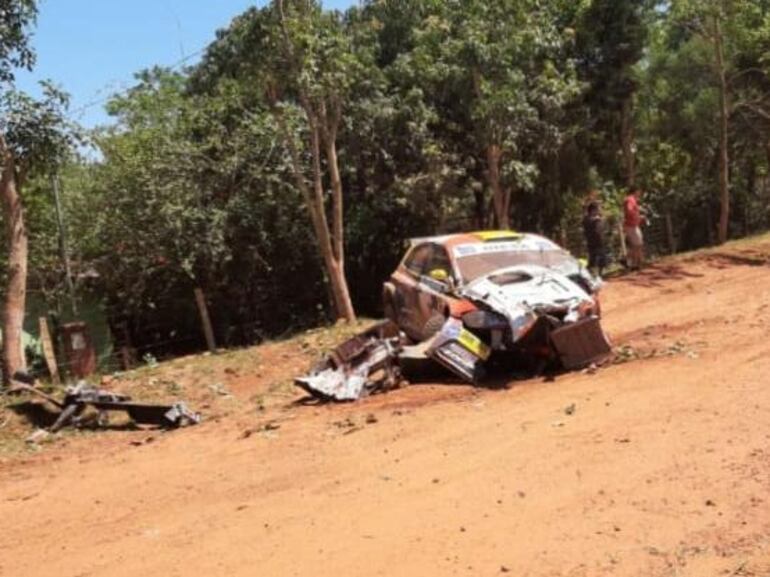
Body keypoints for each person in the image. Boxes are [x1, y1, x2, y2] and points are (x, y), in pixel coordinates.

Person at [623, 186, 646, 270]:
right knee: (637, 244)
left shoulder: (632, 200)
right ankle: (633, 263)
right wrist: (637, 215)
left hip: (633, 225)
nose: (639, 193)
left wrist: (638, 216)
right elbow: (629, 210)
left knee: (637, 245)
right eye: (639, 191)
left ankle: (633, 263)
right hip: (631, 225)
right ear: (635, 191)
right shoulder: (630, 199)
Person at [582, 200, 607, 277]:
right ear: (593, 210)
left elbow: (601, 229)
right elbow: (588, 225)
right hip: (592, 242)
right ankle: (589, 275)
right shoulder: (588, 219)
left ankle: (600, 274)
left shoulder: (598, 218)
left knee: (602, 259)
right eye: (598, 208)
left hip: (600, 241)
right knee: (593, 259)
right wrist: (596, 220)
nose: (600, 210)